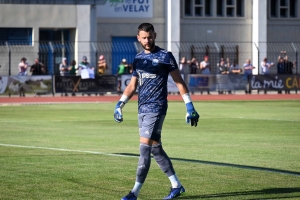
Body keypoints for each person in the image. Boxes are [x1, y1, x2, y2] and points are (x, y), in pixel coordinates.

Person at [114, 23, 199, 200]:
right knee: (155, 148)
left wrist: (189, 106)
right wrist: (120, 103)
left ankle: (134, 193)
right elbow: (132, 85)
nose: (147, 40)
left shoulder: (165, 56)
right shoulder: (138, 58)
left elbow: (179, 82)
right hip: (142, 108)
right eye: (144, 37)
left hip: (157, 107)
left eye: (150, 36)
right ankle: (176, 185)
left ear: (155, 35)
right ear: (138, 38)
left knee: (144, 148)